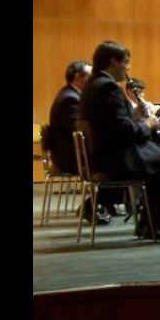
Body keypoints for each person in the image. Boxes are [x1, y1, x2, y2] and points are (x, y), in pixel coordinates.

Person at [79, 40, 160, 242]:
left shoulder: (92, 85)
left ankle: (149, 225)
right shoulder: (107, 87)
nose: (128, 67)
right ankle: (159, 227)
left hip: (106, 154)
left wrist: (133, 114)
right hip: (119, 158)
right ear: (113, 61)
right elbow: (124, 131)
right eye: (125, 62)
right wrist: (149, 124)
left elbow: (112, 123)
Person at [48, 59, 118, 224]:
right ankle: (92, 205)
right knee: (118, 164)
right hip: (70, 156)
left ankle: (104, 203)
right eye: (90, 76)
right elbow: (85, 131)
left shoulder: (69, 94)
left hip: (71, 152)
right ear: (78, 77)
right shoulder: (70, 99)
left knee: (116, 160)